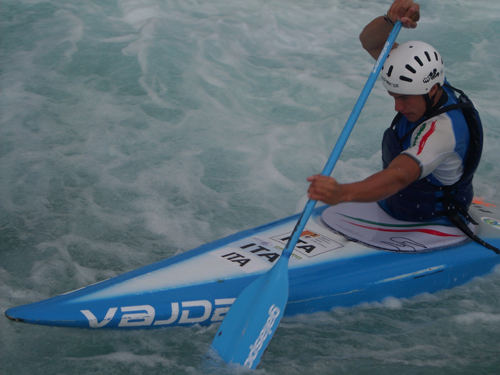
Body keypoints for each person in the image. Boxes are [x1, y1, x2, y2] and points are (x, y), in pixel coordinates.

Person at [307, 0, 484, 226]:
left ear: (431, 91)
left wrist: (342, 193)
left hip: (428, 220)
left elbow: (400, 175)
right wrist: (391, 20)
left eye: (404, 98)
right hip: (399, 204)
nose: (397, 108)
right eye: (394, 96)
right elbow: (370, 42)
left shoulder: (441, 132)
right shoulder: (429, 83)